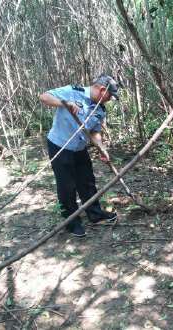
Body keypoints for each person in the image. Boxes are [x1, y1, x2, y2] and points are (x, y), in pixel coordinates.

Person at [39, 74, 119, 237]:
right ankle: (72, 221)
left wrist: (102, 148)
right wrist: (65, 103)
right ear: (102, 90)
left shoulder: (100, 109)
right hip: (60, 145)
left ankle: (95, 214)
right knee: (67, 185)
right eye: (110, 96)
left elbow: (95, 131)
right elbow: (44, 97)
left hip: (79, 149)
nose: (109, 100)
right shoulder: (72, 92)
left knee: (87, 181)